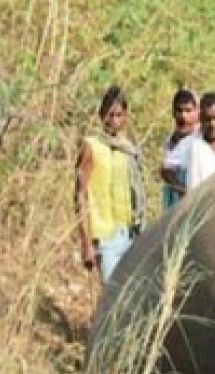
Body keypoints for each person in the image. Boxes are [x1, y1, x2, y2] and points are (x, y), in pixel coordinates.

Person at [75, 84, 146, 282]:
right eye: (110, 115)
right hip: (105, 236)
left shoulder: (128, 149)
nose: (114, 120)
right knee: (113, 294)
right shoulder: (91, 146)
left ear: (125, 116)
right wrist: (86, 242)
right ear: (101, 115)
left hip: (130, 233)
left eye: (119, 115)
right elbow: (80, 194)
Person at [161, 88, 198, 208]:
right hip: (171, 205)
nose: (183, 116)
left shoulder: (199, 142)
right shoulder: (169, 141)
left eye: (188, 111)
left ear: (197, 112)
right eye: (179, 110)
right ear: (173, 112)